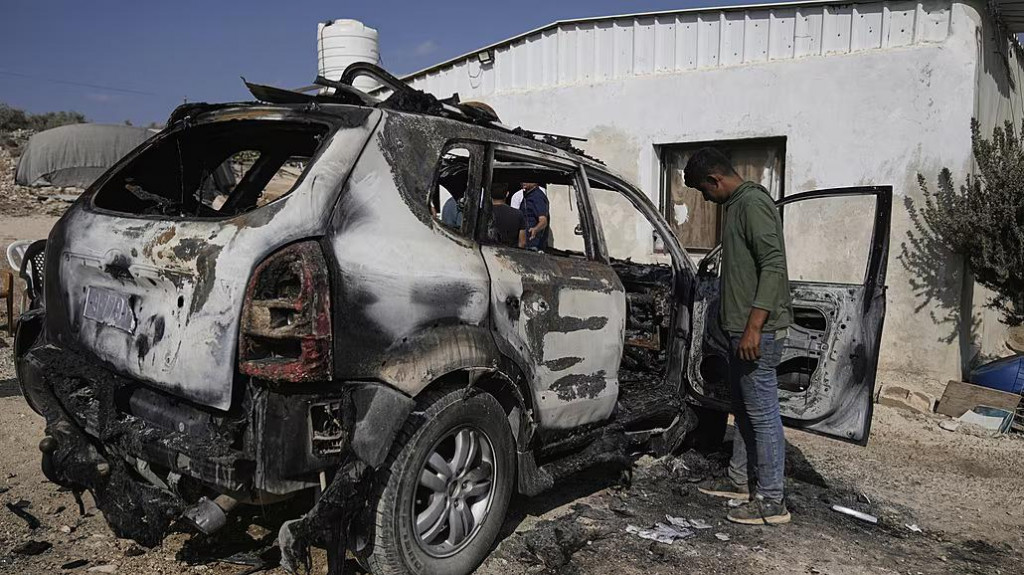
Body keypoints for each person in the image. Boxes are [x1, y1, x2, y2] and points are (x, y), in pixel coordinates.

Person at [684, 147, 793, 526]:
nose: (705, 199)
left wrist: (753, 327)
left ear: (716, 179)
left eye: (702, 190)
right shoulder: (738, 206)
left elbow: (774, 266)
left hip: (756, 334)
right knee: (745, 410)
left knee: (763, 416)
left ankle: (772, 501)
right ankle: (739, 481)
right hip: (739, 332)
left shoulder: (753, 205)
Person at [489, 182, 527, 248]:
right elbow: (522, 243)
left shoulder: (483, 213)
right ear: (507, 194)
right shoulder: (518, 214)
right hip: (510, 252)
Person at [518, 182, 549, 250]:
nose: (523, 182)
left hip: (532, 243)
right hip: (524, 241)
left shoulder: (537, 197)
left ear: (535, 183)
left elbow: (543, 221)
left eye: (527, 180)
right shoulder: (527, 195)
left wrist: (535, 229)